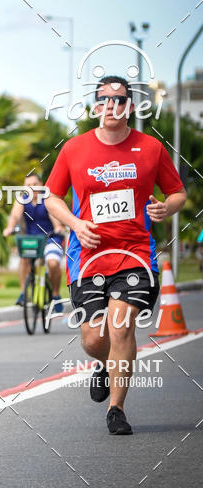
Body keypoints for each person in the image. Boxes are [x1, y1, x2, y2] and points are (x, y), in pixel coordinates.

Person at [45, 75, 186, 435]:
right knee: (94, 338)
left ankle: (116, 410)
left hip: (134, 255)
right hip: (88, 257)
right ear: (95, 107)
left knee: (121, 325)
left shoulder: (151, 148)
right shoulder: (74, 149)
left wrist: (166, 209)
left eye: (119, 99)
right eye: (104, 99)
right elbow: (51, 196)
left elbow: (177, 193)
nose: (112, 106)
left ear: (130, 106)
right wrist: (75, 224)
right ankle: (104, 364)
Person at [3, 172, 65, 312]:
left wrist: (58, 227)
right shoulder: (22, 199)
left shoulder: (48, 198)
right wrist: (10, 228)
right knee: (24, 259)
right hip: (32, 239)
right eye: (28, 185)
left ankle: (55, 295)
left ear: (41, 184)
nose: (32, 188)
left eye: (35, 184)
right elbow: (14, 216)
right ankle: (24, 293)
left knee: (53, 262)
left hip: (51, 237)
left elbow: (54, 216)